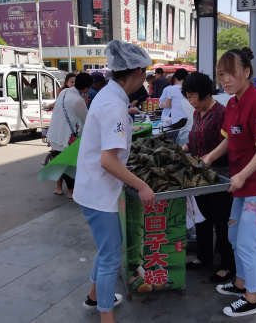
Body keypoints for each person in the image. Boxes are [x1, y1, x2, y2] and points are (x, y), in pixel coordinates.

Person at [73, 40, 155, 323]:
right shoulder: (114, 106)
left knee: (107, 249)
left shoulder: (109, 97)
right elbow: (108, 161)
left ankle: (95, 296)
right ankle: (106, 316)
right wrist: (142, 185)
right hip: (98, 192)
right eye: (144, 72)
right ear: (138, 73)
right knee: (111, 256)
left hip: (92, 188)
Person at [203, 48, 256, 318]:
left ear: (247, 72)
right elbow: (229, 138)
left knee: (248, 242)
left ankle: (252, 298)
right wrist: (211, 156)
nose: (225, 80)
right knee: (234, 237)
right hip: (243, 186)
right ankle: (240, 284)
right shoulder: (234, 103)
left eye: (231, 73)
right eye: (221, 74)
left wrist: (242, 174)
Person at [181, 72, 235, 283]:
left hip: (220, 175)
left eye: (195, 96)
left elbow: (230, 143)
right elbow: (194, 142)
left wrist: (210, 158)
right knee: (202, 218)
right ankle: (204, 257)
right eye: (188, 96)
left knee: (221, 222)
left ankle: (228, 265)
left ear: (206, 93)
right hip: (200, 175)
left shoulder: (222, 113)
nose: (193, 101)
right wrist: (180, 149)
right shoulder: (197, 114)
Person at [46, 73, 93, 199]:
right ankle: (71, 192)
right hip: (68, 138)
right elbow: (87, 119)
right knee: (70, 164)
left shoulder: (64, 92)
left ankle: (61, 189)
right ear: (87, 87)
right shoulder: (78, 100)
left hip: (56, 135)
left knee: (61, 162)